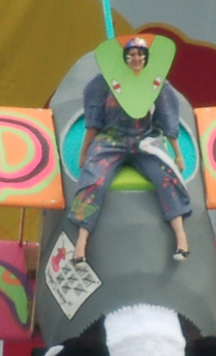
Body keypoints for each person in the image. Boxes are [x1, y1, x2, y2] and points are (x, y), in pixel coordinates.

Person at [66, 35, 192, 263]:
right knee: (93, 179)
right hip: (111, 140)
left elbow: (167, 117)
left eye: (141, 54)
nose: (136, 58)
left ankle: (181, 238)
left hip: (145, 138)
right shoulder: (102, 82)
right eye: (131, 54)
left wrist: (177, 154)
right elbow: (93, 119)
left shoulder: (156, 82)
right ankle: (81, 242)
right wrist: (85, 152)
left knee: (167, 176)